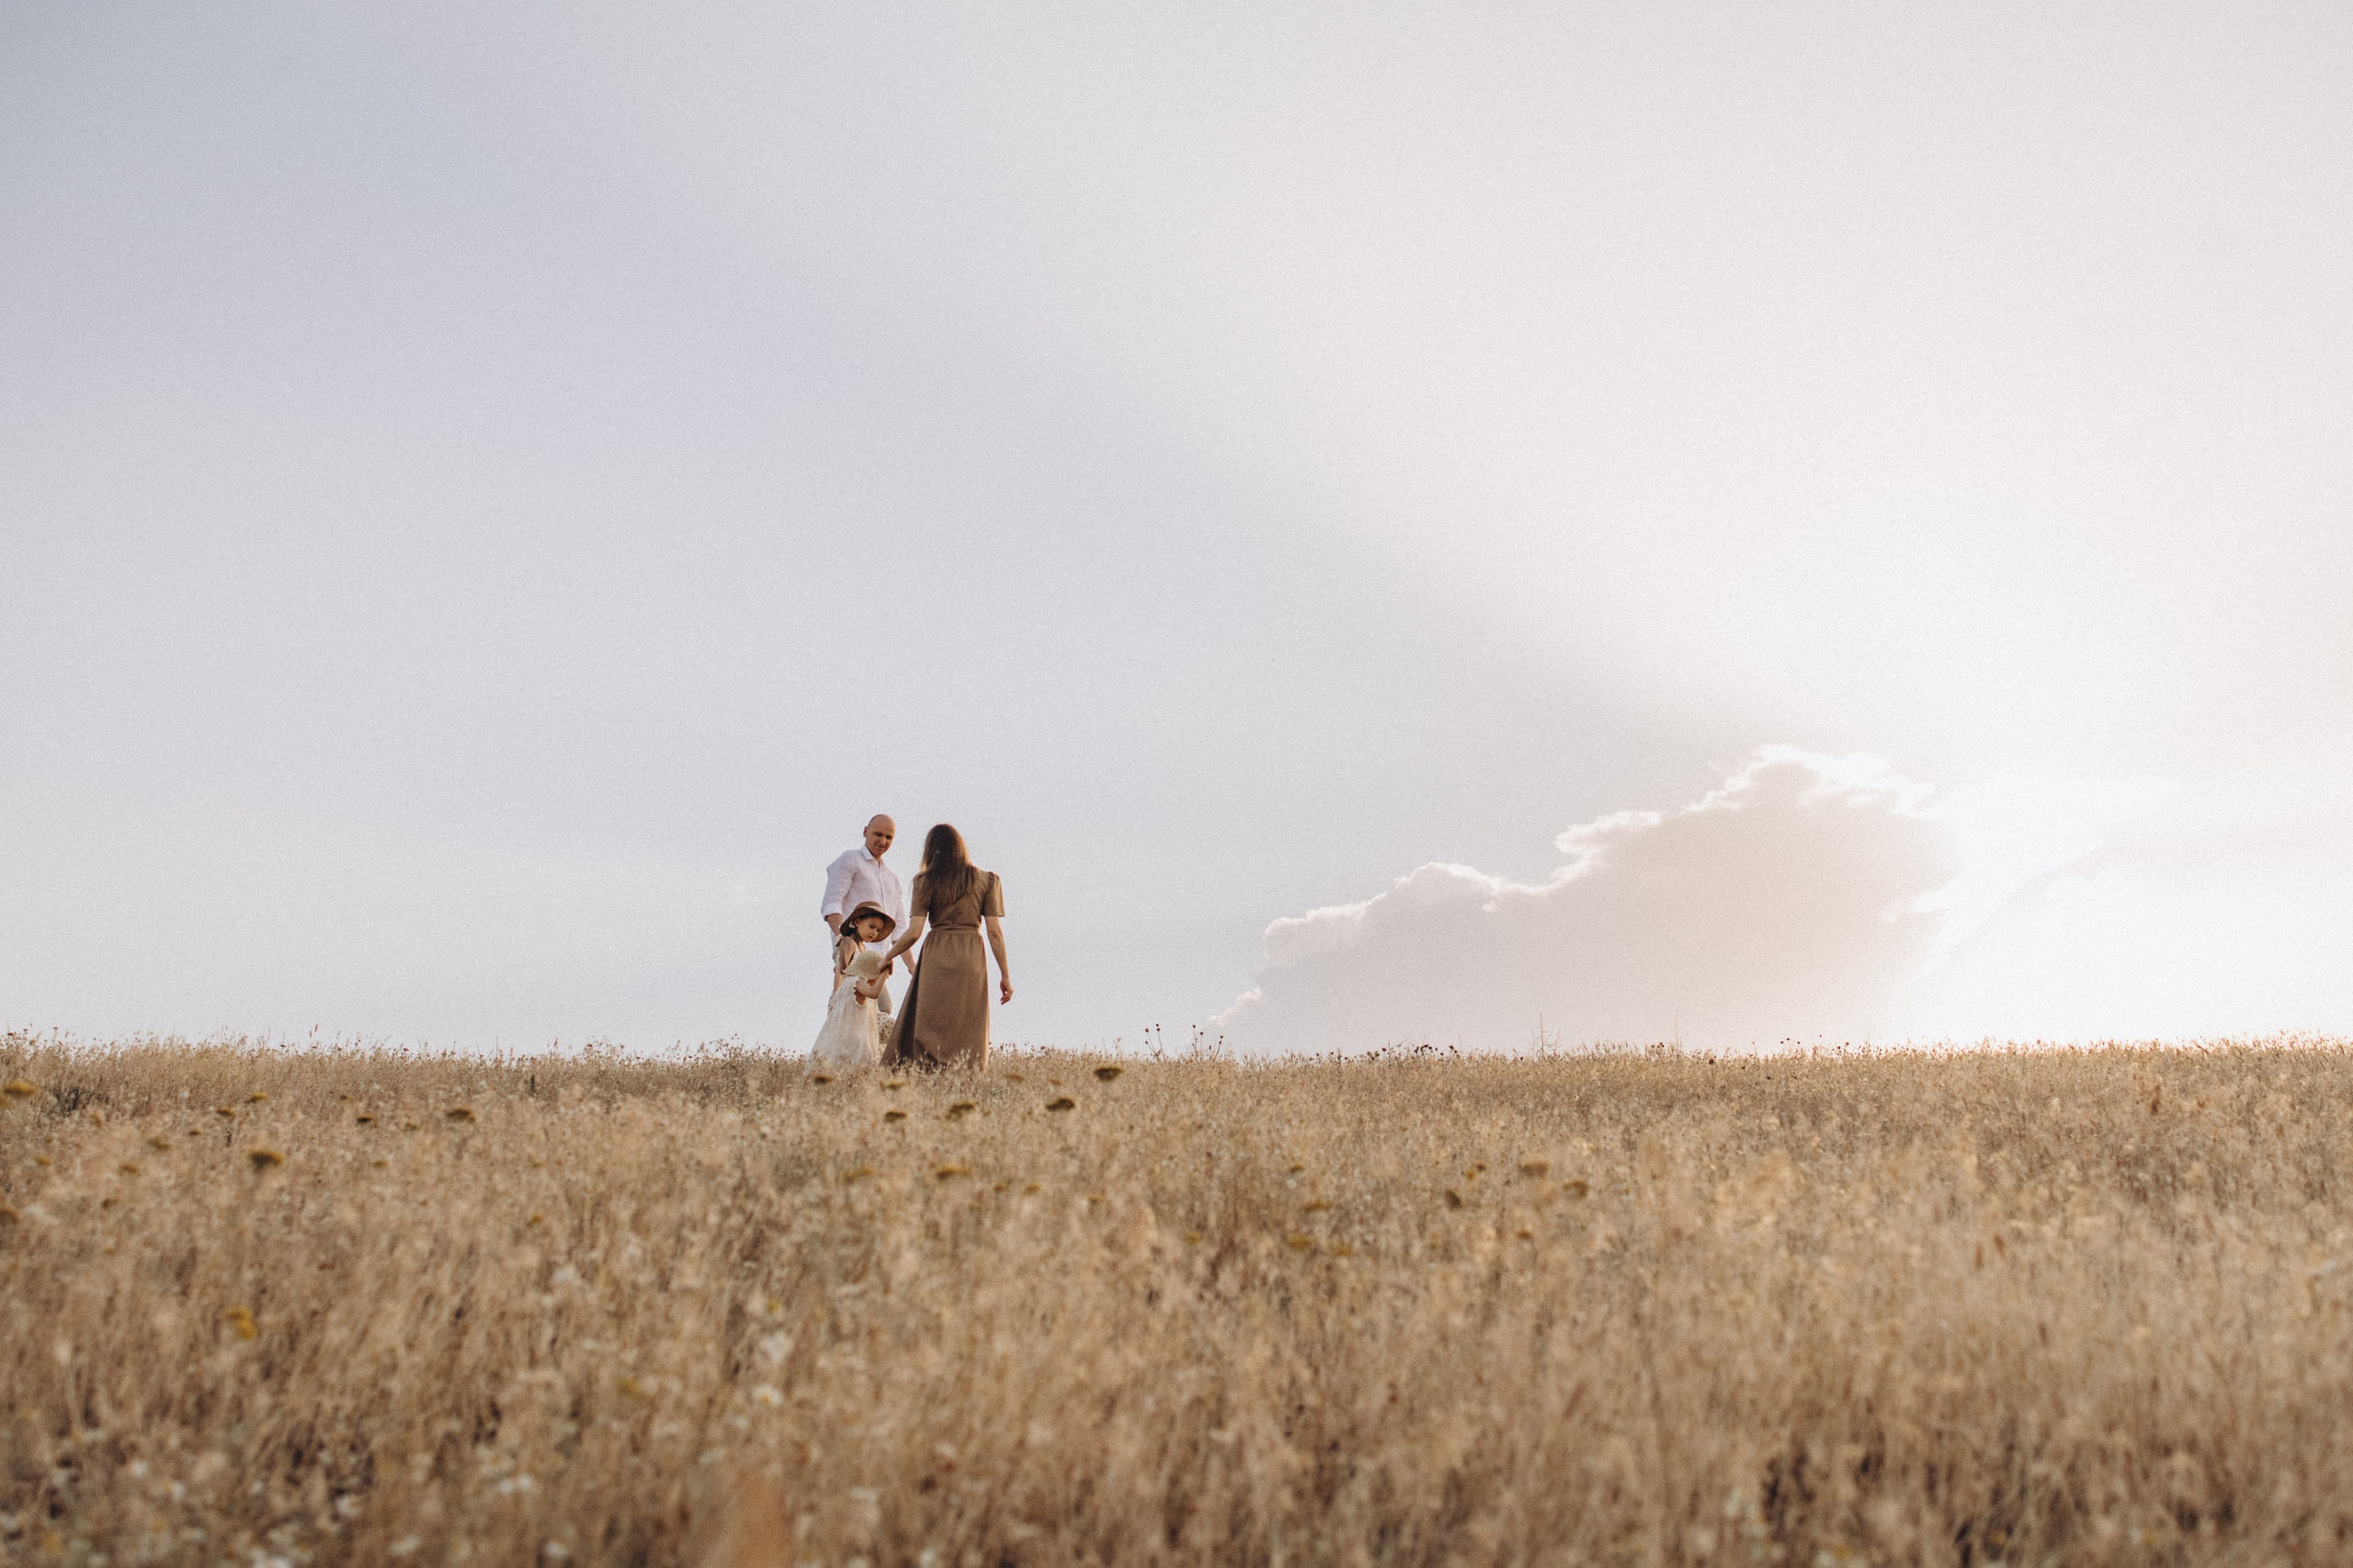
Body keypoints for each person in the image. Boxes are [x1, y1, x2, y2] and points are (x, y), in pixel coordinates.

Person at [880, 824, 1009, 1071]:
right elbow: (995, 933)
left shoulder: (924, 881)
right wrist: (1005, 975)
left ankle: (926, 1072)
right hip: (971, 955)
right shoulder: (987, 880)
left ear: (930, 850)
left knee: (929, 1020)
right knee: (968, 1022)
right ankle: (965, 1074)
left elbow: (914, 932)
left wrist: (887, 956)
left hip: (936, 954)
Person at [820, 815, 907, 1018]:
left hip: (879, 957)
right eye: (878, 834)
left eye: (889, 837)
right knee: (859, 1006)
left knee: (879, 1009)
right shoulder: (850, 860)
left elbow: (901, 930)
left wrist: (913, 967)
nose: (883, 841)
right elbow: (832, 903)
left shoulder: (892, 878)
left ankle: (860, 1049)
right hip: (852, 950)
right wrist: (842, 939)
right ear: (865, 831)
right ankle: (834, 1047)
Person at [810, 909, 893, 1070]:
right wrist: (836, 996)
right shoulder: (848, 943)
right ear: (857, 922)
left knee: (869, 1038)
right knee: (848, 1043)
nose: (874, 933)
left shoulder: (866, 951)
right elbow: (841, 971)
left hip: (865, 1001)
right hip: (849, 999)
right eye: (871, 926)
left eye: (878, 930)